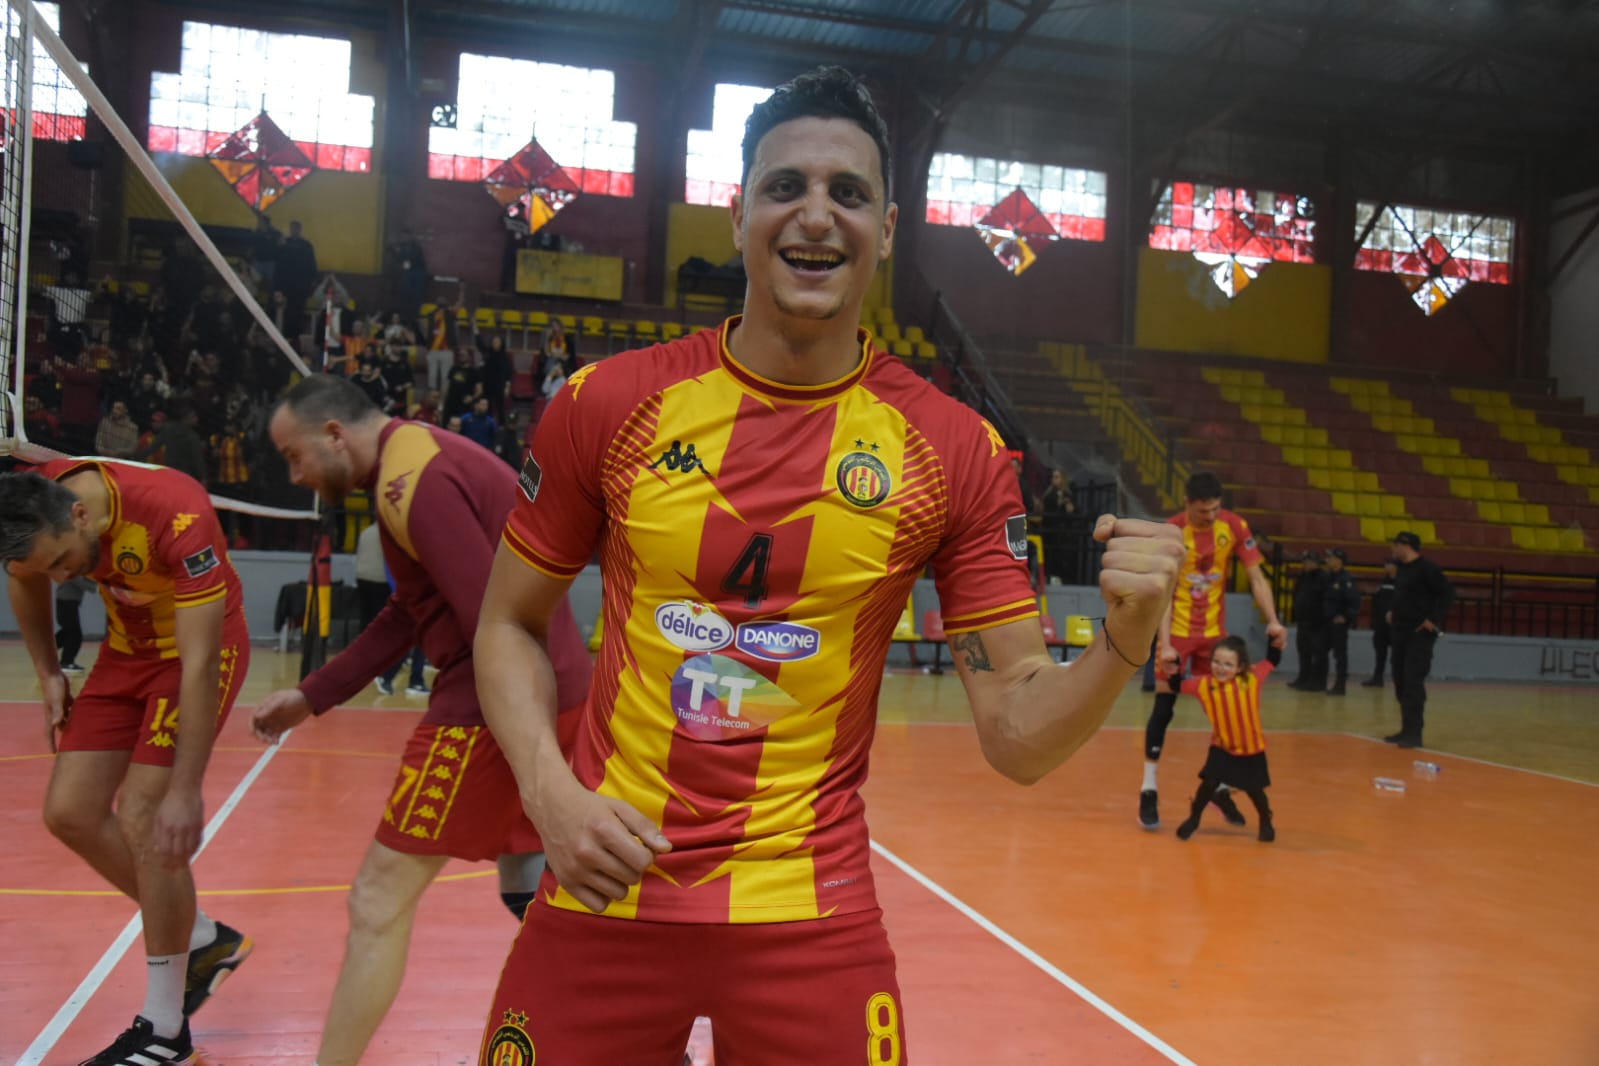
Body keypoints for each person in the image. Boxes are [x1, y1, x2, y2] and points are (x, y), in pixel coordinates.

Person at [471, 65, 1183, 1065]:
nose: (815, 216)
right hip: (604, 888)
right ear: (738, 216)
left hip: (813, 916)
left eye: (847, 193)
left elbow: (1018, 736)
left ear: (885, 230)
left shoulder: (954, 451)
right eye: (785, 187)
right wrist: (549, 797)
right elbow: (507, 621)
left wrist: (1123, 640)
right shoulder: (610, 403)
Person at [250, 374, 593, 1066]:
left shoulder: (413, 484)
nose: (296, 476)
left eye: (294, 456)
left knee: (378, 897)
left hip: (495, 706)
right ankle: (634, 1040)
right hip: (552, 687)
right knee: (533, 887)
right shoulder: (417, 458)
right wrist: (313, 694)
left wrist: (518, 740)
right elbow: (412, 609)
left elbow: (490, 625)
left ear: (334, 435)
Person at [0, 462, 253, 1065]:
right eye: (50, 569)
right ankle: (199, 936)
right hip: (125, 650)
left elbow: (199, 665)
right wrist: (48, 673)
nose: (63, 577)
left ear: (81, 515)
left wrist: (185, 788)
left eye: (63, 561)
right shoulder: (35, 500)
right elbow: (26, 577)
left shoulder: (176, 515)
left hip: (196, 652)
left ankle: (166, 1030)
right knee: (70, 811)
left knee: (145, 814)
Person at [1141, 471, 1286, 830]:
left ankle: (1220, 786)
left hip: (1213, 635)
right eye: (1203, 511)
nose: (1210, 517)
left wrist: (1273, 620)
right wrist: (1166, 645)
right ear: (1188, 504)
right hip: (1177, 631)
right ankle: (1149, 788)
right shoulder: (1172, 532)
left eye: (1215, 510)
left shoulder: (1233, 526)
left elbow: (1256, 577)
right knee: (1164, 706)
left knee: (1226, 708)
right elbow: (1162, 593)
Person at [1171, 635, 1283, 843]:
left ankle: (1265, 820)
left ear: (1241, 667)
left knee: (1255, 790)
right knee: (1209, 783)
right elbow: (1177, 685)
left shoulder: (1251, 680)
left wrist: (1274, 637)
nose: (1221, 668)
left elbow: (1271, 660)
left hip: (1251, 749)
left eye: (1228, 664)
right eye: (1217, 662)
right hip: (1222, 746)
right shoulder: (1203, 685)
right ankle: (1194, 818)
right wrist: (1174, 663)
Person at [1384, 531, 1454, 749]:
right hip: (1400, 631)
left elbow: (1447, 594)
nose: (1392, 549)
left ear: (1406, 546)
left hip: (1419, 634)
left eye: (1395, 545)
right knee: (1400, 680)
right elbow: (1405, 597)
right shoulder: (1402, 569)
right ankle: (1406, 728)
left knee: (1413, 682)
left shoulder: (1428, 569)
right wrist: (1393, 611)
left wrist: (1433, 619)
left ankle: (1414, 733)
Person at [1320, 548, 1359, 696]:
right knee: (1321, 651)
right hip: (1327, 621)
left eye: (1331, 558)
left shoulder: (1345, 579)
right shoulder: (1329, 577)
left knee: (1340, 655)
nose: (1328, 560)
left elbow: (1354, 601)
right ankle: (1319, 682)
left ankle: (1340, 685)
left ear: (1339, 561)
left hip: (1338, 623)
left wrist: (1345, 616)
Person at [1288, 551, 1326, 690]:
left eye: (1308, 561)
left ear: (1316, 563)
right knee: (1303, 651)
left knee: (1316, 652)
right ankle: (1303, 678)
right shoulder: (1303, 577)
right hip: (1303, 621)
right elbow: (1297, 595)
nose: (1305, 564)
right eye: (1304, 562)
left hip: (1316, 622)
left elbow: (1324, 599)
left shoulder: (1322, 577)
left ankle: (1316, 681)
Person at [1363, 560, 1398, 687]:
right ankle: (1378, 678)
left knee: (1397, 654)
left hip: (1395, 624)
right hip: (1381, 623)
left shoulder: (1402, 581)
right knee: (1380, 652)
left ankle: (1398, 678)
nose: (1385, 566)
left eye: (1389, 564)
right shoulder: (1385, 581)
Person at [54, 574, 95, 672]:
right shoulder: (73, 570)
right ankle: (66, 662)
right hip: (66, 602)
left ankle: (45, 649)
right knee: (74, 634)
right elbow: (78, 580)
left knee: (68, 632)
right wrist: (99, 587)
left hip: (68, 602)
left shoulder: (76, 569)